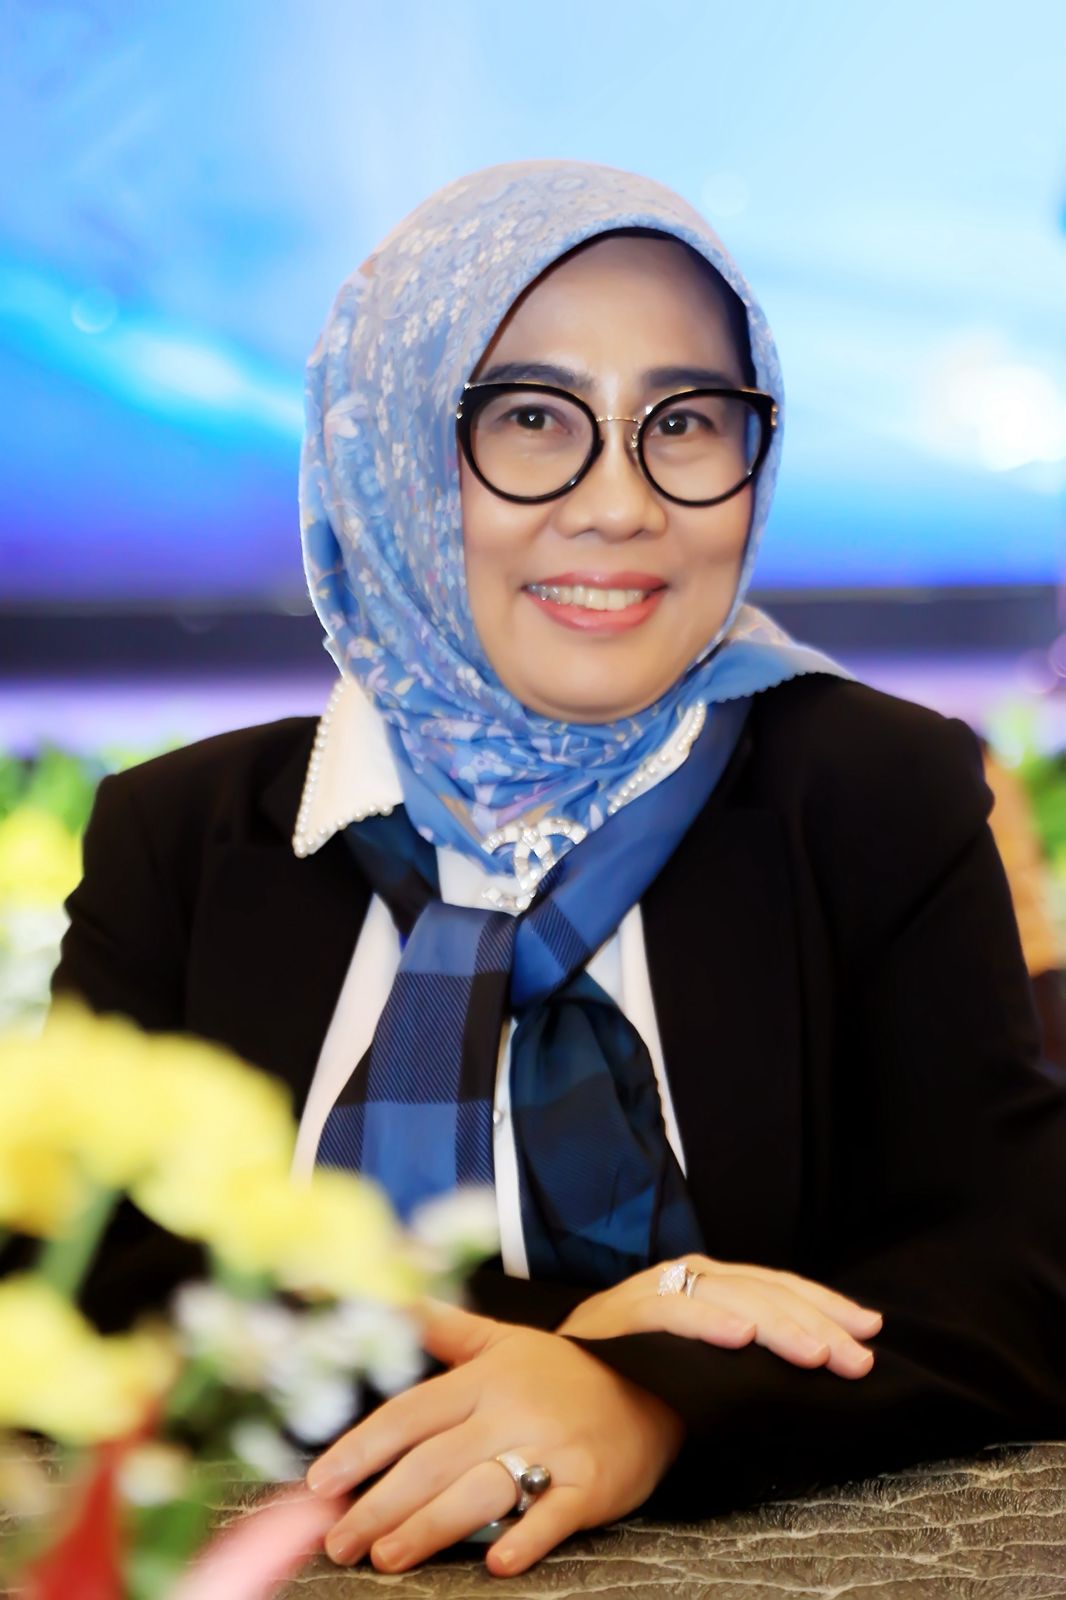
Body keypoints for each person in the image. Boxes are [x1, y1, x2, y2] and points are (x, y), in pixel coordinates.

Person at [51, 162, 1066, 1577]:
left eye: (684, 422)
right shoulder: (182, 836)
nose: (621, 504)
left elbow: (1012, 1275)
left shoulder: (871, 794)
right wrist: (580, 1340)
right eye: (531, 418)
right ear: (389, 452)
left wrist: (649, 1402)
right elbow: (92, 1275)